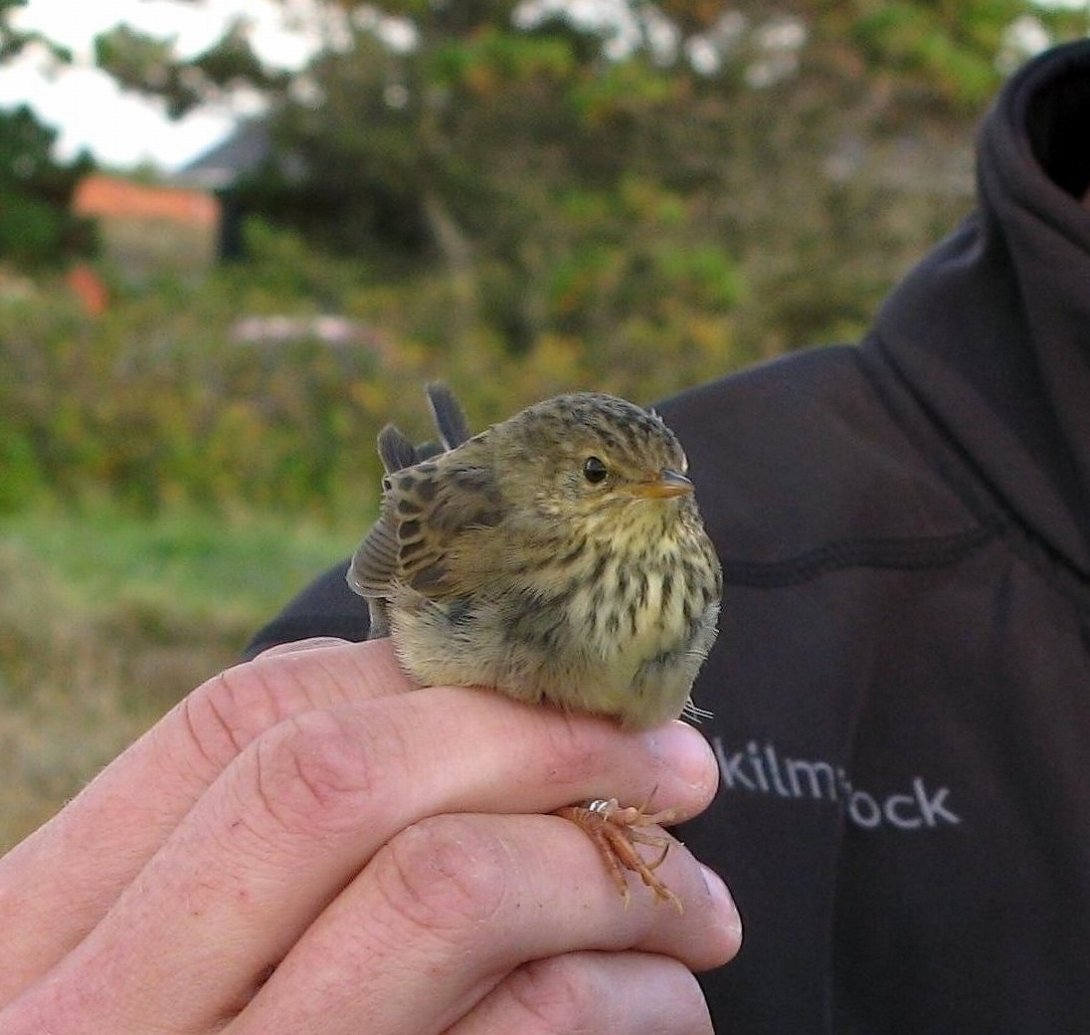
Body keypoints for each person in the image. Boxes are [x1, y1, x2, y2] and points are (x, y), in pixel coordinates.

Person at [2, 37, 1088, 1034]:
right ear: (561, 482)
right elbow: (382, 596)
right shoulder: (487, 538)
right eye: (609, 478)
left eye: (672, 479)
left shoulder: (710, 550)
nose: (670, 494)